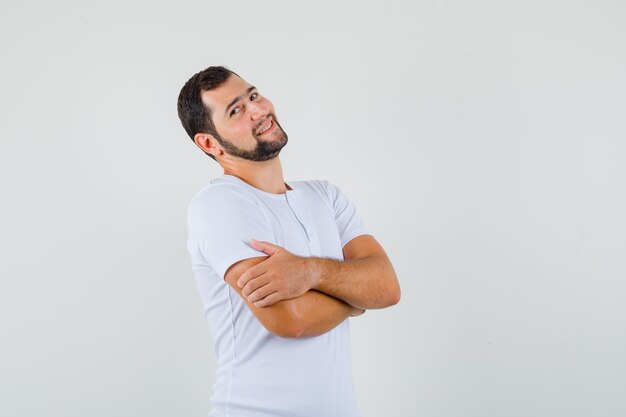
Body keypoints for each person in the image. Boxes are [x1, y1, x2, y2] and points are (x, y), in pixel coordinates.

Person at [177, 65, 401, 417]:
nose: (258, 110)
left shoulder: (325, 197)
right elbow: (290, 319)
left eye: (253, 95)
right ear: (209, 143)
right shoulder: (218, 205)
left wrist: (311, 273)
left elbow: (387, 288)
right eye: (236, 110)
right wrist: (357, 300)